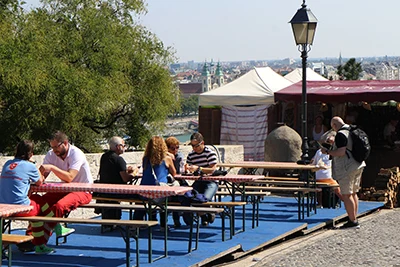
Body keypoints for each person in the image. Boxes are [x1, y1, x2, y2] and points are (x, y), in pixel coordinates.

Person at [0, 140, 55, 254]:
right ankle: (42, 242)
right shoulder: (30, 166)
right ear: (30, 154)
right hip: (19, 207)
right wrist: (35, 165)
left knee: (37, 201)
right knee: (39, 207)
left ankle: (55, 225)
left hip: (4, 205)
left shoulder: (7, 164)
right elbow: (40, 182)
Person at [39, 131, 93, 238]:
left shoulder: (76, 153)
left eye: (56, 147)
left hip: (83, 189)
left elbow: (69, 177)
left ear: (65, 143)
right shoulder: (51, 154)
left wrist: (52, 168)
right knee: (39, 203)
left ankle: (41, 240)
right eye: (52, 147)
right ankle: (31, 237)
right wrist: (38, 176)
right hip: (65, 188)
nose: (54, 151)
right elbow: (41, 174)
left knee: (59, 206)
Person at [321, 116, 366, 229]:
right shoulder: (351, 129)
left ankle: (352, 221)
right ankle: (354, 217)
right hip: (358, 164)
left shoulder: (341, 134)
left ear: (335, 125)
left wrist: (327, 151)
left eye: (333, 128)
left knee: (346, 194)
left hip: (347, 167)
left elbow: (341, 152)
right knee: (354, 193)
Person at [133, 136, 176, 229]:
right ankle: (164, 224)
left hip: (144, 192)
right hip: (160, 192)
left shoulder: (145, 159)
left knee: (143, 202)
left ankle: (138, 223)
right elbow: (174, 173)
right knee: (165, 201)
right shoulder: (167, 159)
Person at [97, 136, 139, 220]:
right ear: (118, 146)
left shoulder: (104, 157)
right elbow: (125, 179)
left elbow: (112, 171)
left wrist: (126, 170)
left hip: (103, 191)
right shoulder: (119, 159)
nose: (124, 147)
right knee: (140, 197)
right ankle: (137, 221)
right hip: (117, 192)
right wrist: (134, 172)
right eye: (123, 145)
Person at [186, 132, 218, 226]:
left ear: (202, 143)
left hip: (211, 181)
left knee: (204, 199)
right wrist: (188, 169)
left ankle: (207, 213)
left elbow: (213, 170)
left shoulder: (210, 153)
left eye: (196, 145)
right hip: (198, 181)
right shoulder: (191, 155)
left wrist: (199, 169)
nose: (194, 148)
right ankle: (204, 215)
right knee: (190, 198)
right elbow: (188, 166)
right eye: (192, 146)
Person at [310, 131, 342, 207]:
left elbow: (313, 163)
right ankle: (343, 200)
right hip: (328, 177)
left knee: (318, 186)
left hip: (318, 177)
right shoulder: (334, 152)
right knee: (337, 187)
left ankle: (320, 203)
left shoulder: (318, 152)